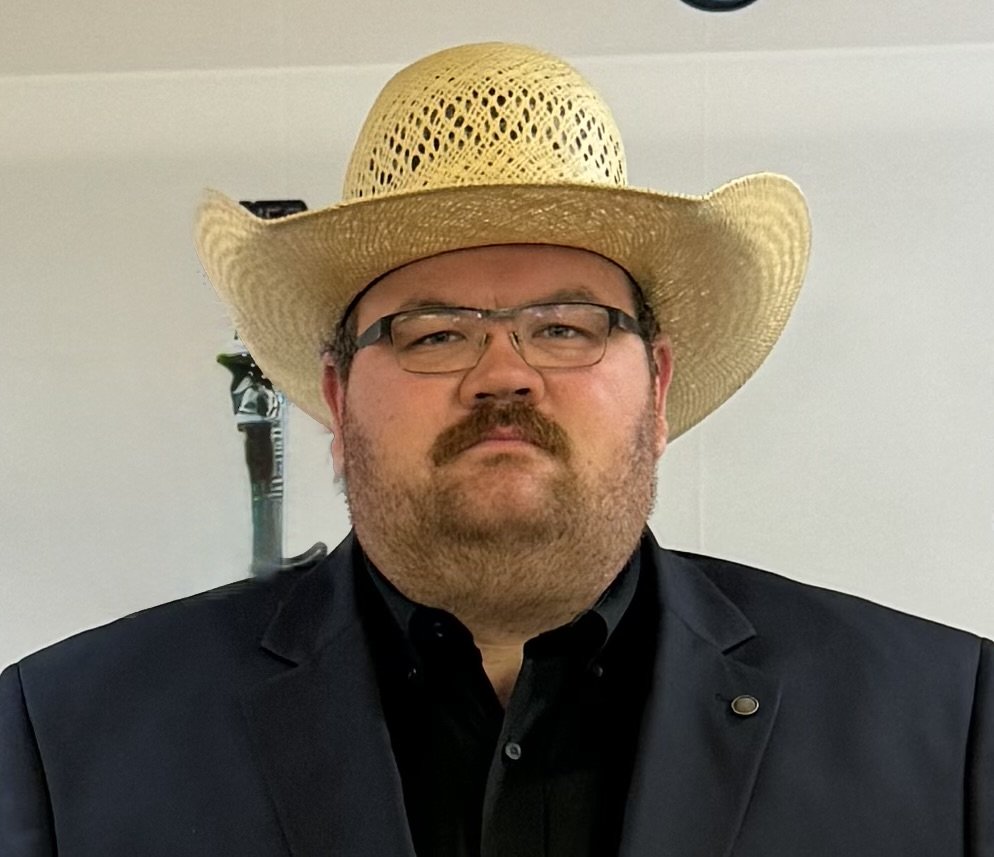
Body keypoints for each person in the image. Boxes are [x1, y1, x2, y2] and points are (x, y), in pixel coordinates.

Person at [1, 42, 990, 857]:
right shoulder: (60, 736)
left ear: (658, 387)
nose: (503, 374)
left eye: (566, 327)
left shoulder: (950, 724)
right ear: (339, 400)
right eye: (432, 333)